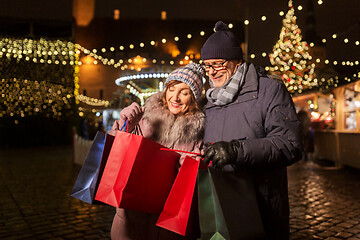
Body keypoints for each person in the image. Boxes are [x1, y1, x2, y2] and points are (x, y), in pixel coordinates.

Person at [201, 21, 303, 240]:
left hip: (260, 204)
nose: (211, 71)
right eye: (206, 65)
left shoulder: (269, 89)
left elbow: (289, 144)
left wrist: (236, 150)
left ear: (237, 61)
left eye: (217, 63)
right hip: (220, 202)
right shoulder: (209, 100)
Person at [109, 63, 205, 240]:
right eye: (172, 89)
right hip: (133, 213)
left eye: (184, 93)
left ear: (193, 98)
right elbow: (115, 153)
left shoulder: (198, 132)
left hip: (168, 219)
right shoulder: (144, 117)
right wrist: (125, 126)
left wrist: (191, 164)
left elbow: (195, 182)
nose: (175, 97)